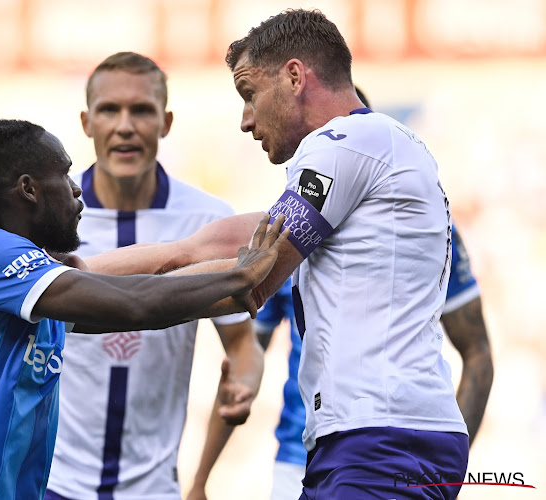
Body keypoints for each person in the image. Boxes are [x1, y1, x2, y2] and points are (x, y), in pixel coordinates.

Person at [84, 8, 472, 499]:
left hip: (381, 436)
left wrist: (85, 308)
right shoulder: (373, 153)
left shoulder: (343, 143)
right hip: (379, 433)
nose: (246, 120)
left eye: (249, 95)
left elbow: (249, 282)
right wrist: (68, 274)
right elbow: (199, 249)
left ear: (294, 76)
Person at [0, 52, 264, 500]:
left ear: (165, 122)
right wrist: (240, 275)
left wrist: (216, 262)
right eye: (65, 174)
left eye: (141, 110)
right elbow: (135, 302)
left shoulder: (37, 278)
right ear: (28, 188)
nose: (75, 187)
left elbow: (123, 288)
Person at [189, 89, 494, 500]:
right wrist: (202, 475)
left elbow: (477, 351)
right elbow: (247, 348)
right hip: (307, 449)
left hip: (380, 440)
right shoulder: (290, 228)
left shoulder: (424, 228)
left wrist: (443, 472)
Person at [44, 52, 263, 500]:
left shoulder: (207, 220)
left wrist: (245, 379)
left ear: (166, 122)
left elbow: (242, 342)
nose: (126, 125)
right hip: (52, 484)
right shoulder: (45, 220)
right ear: (87, 122)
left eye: (141, 110)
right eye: (110, 110)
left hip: (154, 488)